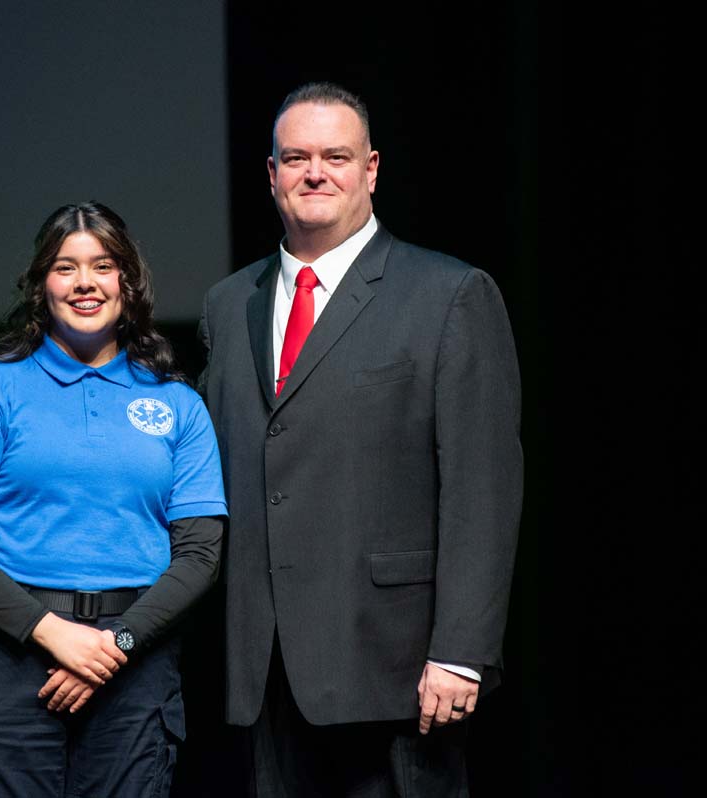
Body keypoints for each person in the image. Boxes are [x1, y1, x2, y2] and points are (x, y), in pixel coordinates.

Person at [197, 82, 524, 795]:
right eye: (296, 157)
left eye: (336, 156)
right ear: (272, 173)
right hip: (265, 668)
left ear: (371, 169)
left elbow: (483, 487)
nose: (315, 172)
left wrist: (463, 650)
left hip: (397, 670)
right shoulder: (229, 305)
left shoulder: (449, 294)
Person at [0, 201, 227, 797]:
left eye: (103, 265)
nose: (85, 282)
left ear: (127, 282)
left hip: (135, 664)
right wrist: (53, 634)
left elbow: (200, 553)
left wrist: (114, 645)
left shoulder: (178, 403)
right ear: (41, 285)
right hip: (4, 661)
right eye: (66, 267)